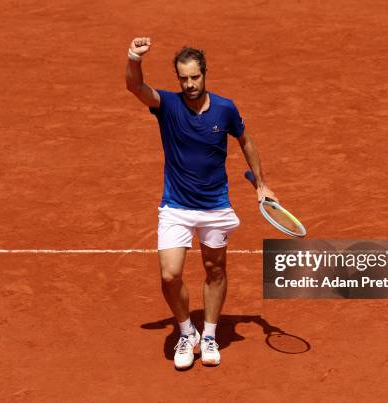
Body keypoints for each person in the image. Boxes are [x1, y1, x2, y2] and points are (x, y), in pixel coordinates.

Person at [126, 37, 276, 369]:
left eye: (195, 77)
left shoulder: (225, 108)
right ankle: (186, 332)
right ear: (178, 79)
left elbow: (246, 140)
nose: (190, 84)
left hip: (215, 207)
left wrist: (262, 184)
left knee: (215, 269)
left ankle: (208, 335)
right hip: (176, 206)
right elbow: (134, 86)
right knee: (169, 275)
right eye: (183, 79)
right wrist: (134, 57)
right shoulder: (167, 105)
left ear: (204, 74)